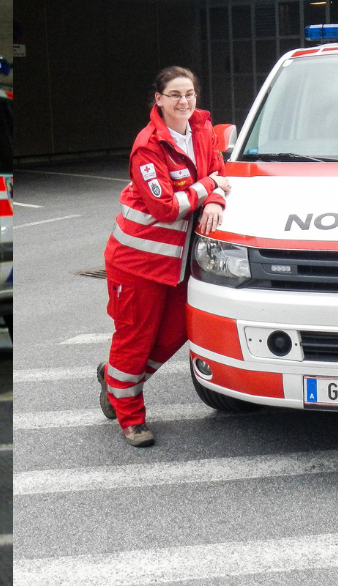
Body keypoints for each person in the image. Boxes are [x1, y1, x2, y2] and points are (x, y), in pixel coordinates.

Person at [97, 66, 225, 447]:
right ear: (159, 99)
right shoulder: (148, 145)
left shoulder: (202, 129)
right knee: (135, 341)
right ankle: (131, 419)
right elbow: (166, 208)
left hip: (177, 264)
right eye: (174, 95)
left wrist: (214, 195)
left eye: (189, 93)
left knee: (177, 332)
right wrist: (211, 187)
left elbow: (220, 171)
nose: (183, 101)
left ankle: (116, 378)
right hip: (137, 263)